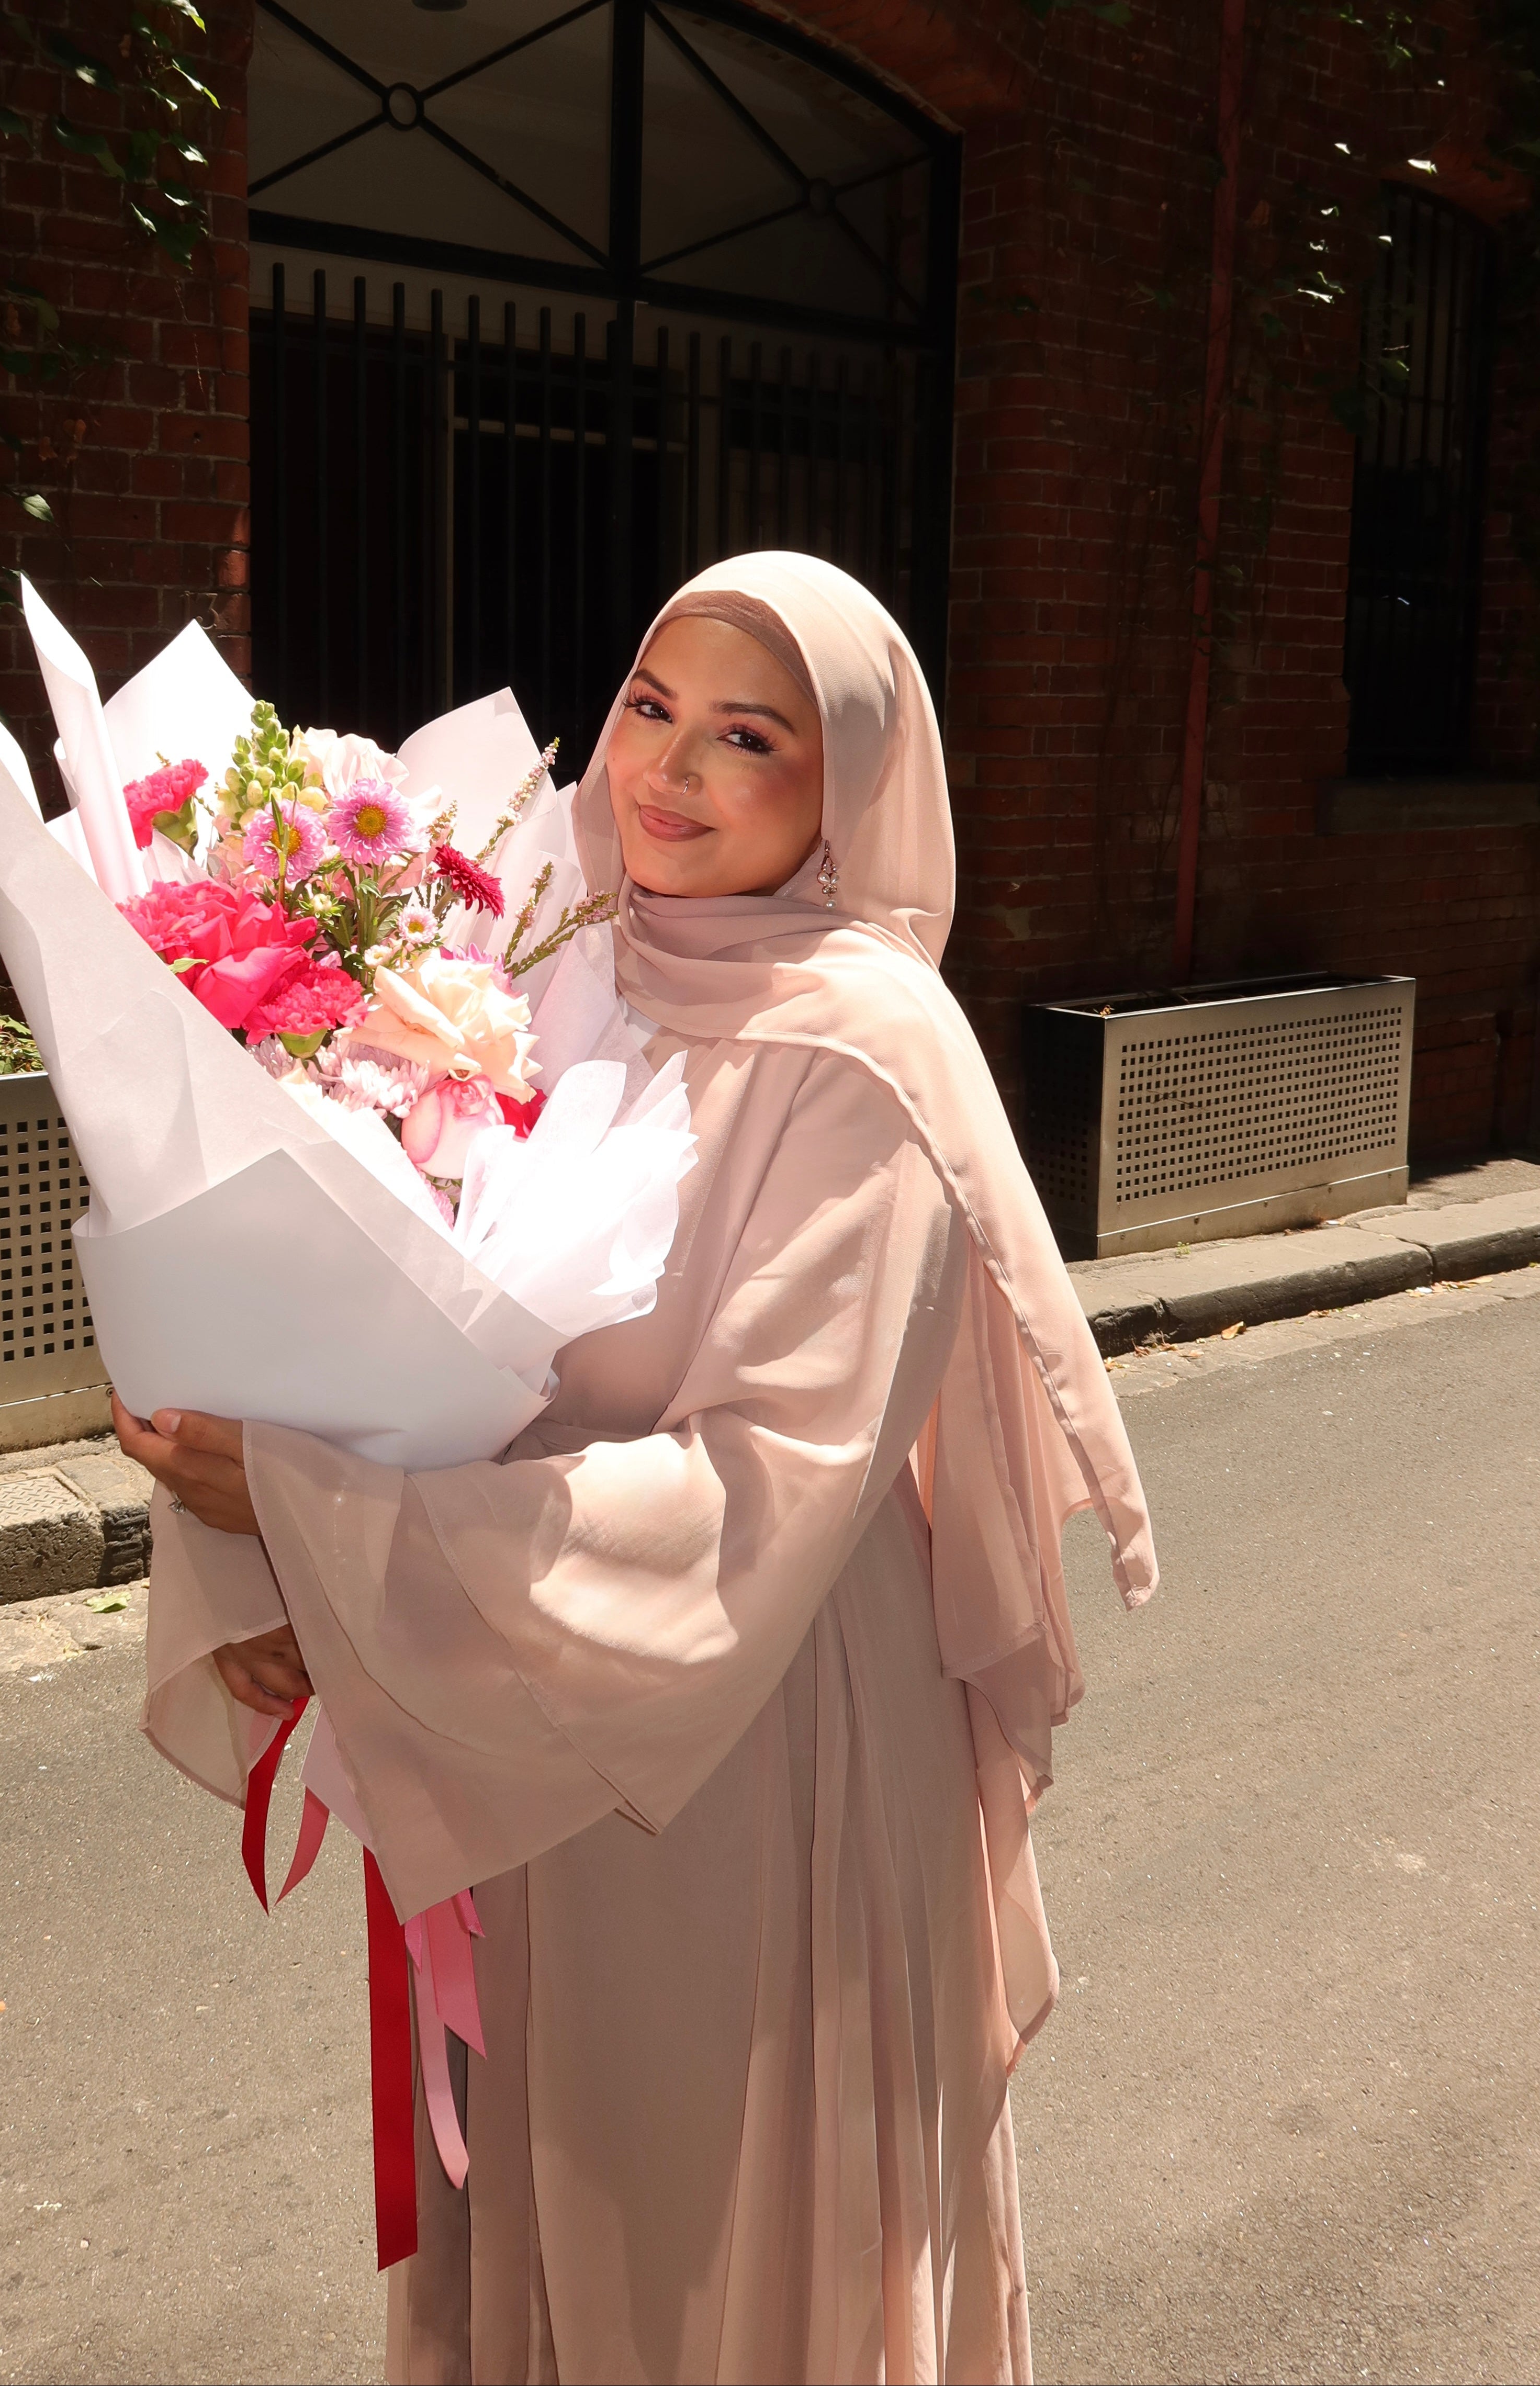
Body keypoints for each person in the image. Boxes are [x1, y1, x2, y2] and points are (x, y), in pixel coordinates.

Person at [114, 553, 1157, 2385]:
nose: (671, 767)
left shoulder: (869, 1054)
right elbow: (404, 1342)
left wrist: (320, 1514)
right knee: (551, 2201)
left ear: (841, 793)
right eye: (653, 707)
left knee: (708, 2240)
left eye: (748, 736)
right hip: (517, 1704)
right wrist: (286, 1555)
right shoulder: (534, 964)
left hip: (757, 1745)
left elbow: (763, 1488)